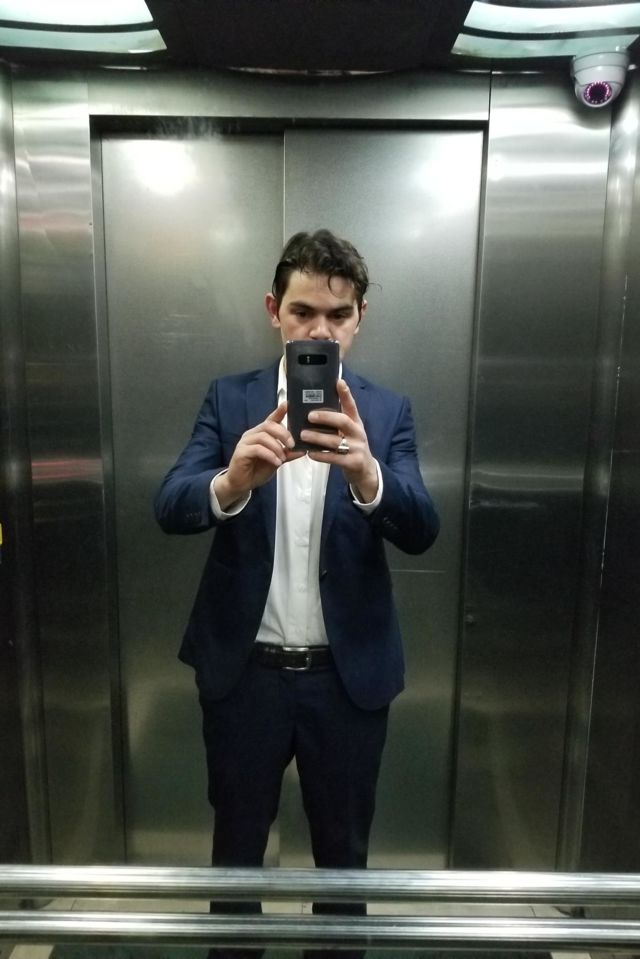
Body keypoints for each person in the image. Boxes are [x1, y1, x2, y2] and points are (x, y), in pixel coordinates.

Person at [154, 229, 439, 955]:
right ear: (273, 310)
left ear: (360, 317)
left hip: (347, 682)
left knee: (344, 863)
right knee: (235, 857)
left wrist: (369, 476)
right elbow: (170, 503)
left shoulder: (386, 413)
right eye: (303, 311)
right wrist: (231, 482)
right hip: (244, 676)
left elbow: (422, 527)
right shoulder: (231, 400)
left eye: (338, 315)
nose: (320, 330)